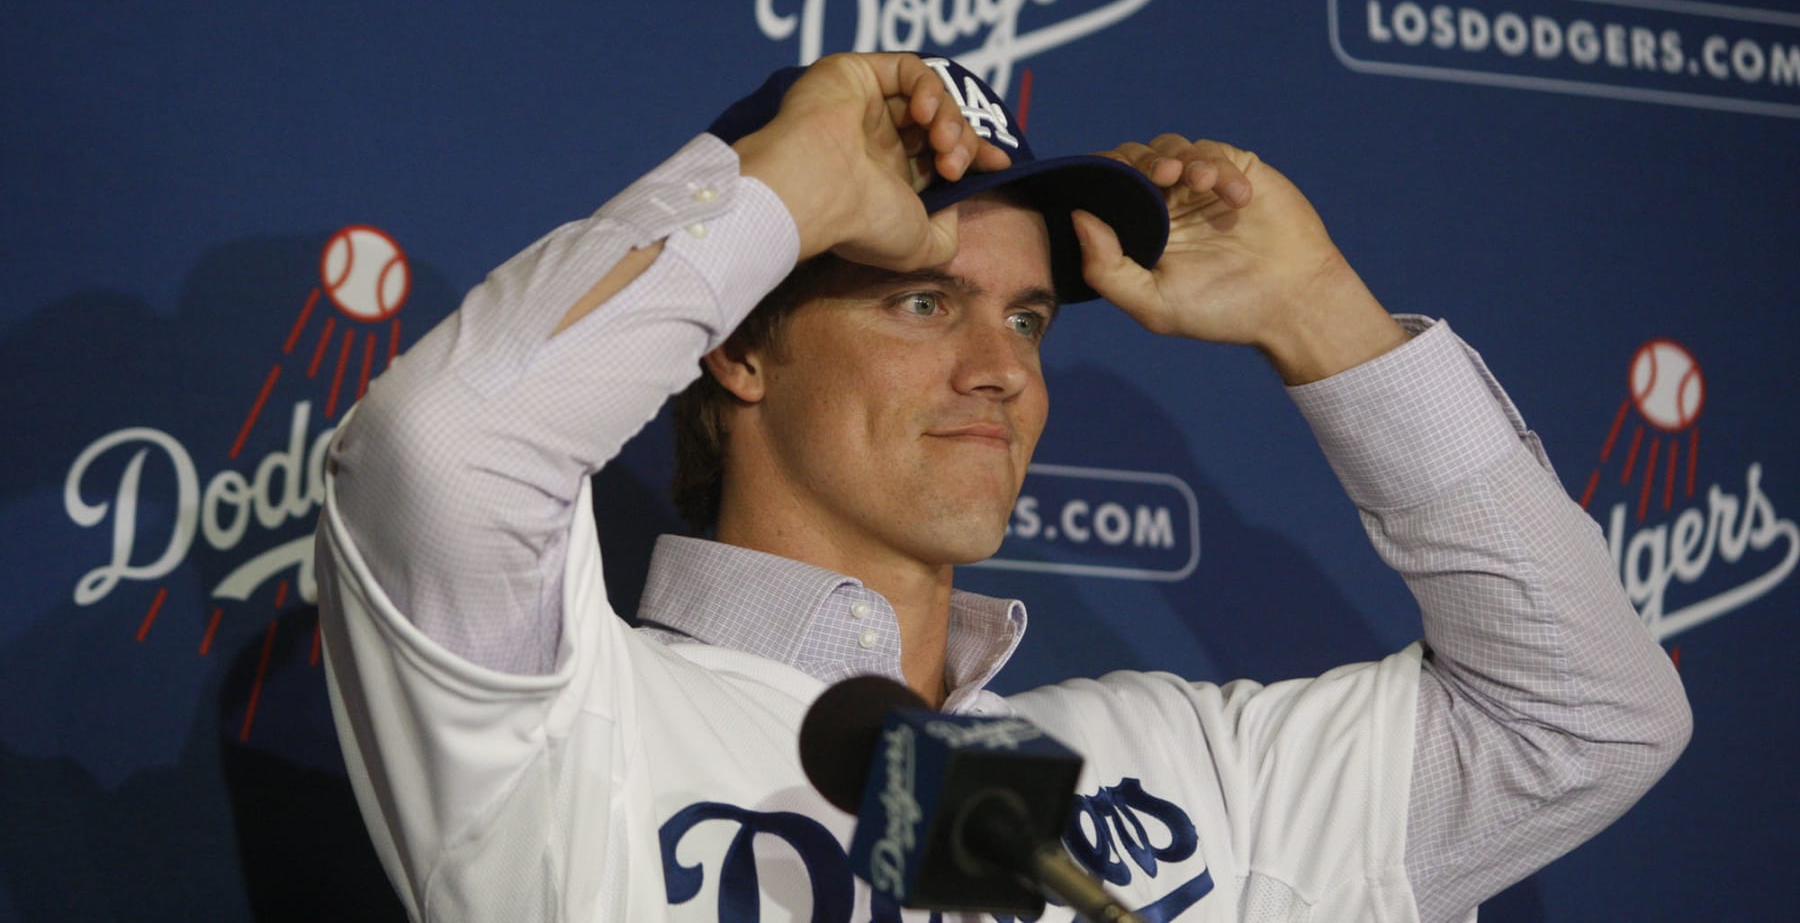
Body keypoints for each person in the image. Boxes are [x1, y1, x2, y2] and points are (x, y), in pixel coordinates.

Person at [316, 52, 1690, 923]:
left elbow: (1585, 721)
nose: (1002, 374)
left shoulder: (1182, 763)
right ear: (734, 346)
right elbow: (440, 452)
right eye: (924, 302)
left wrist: (1323, 316)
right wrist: (779, 187)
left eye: (1028, 319)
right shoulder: (568, 718)